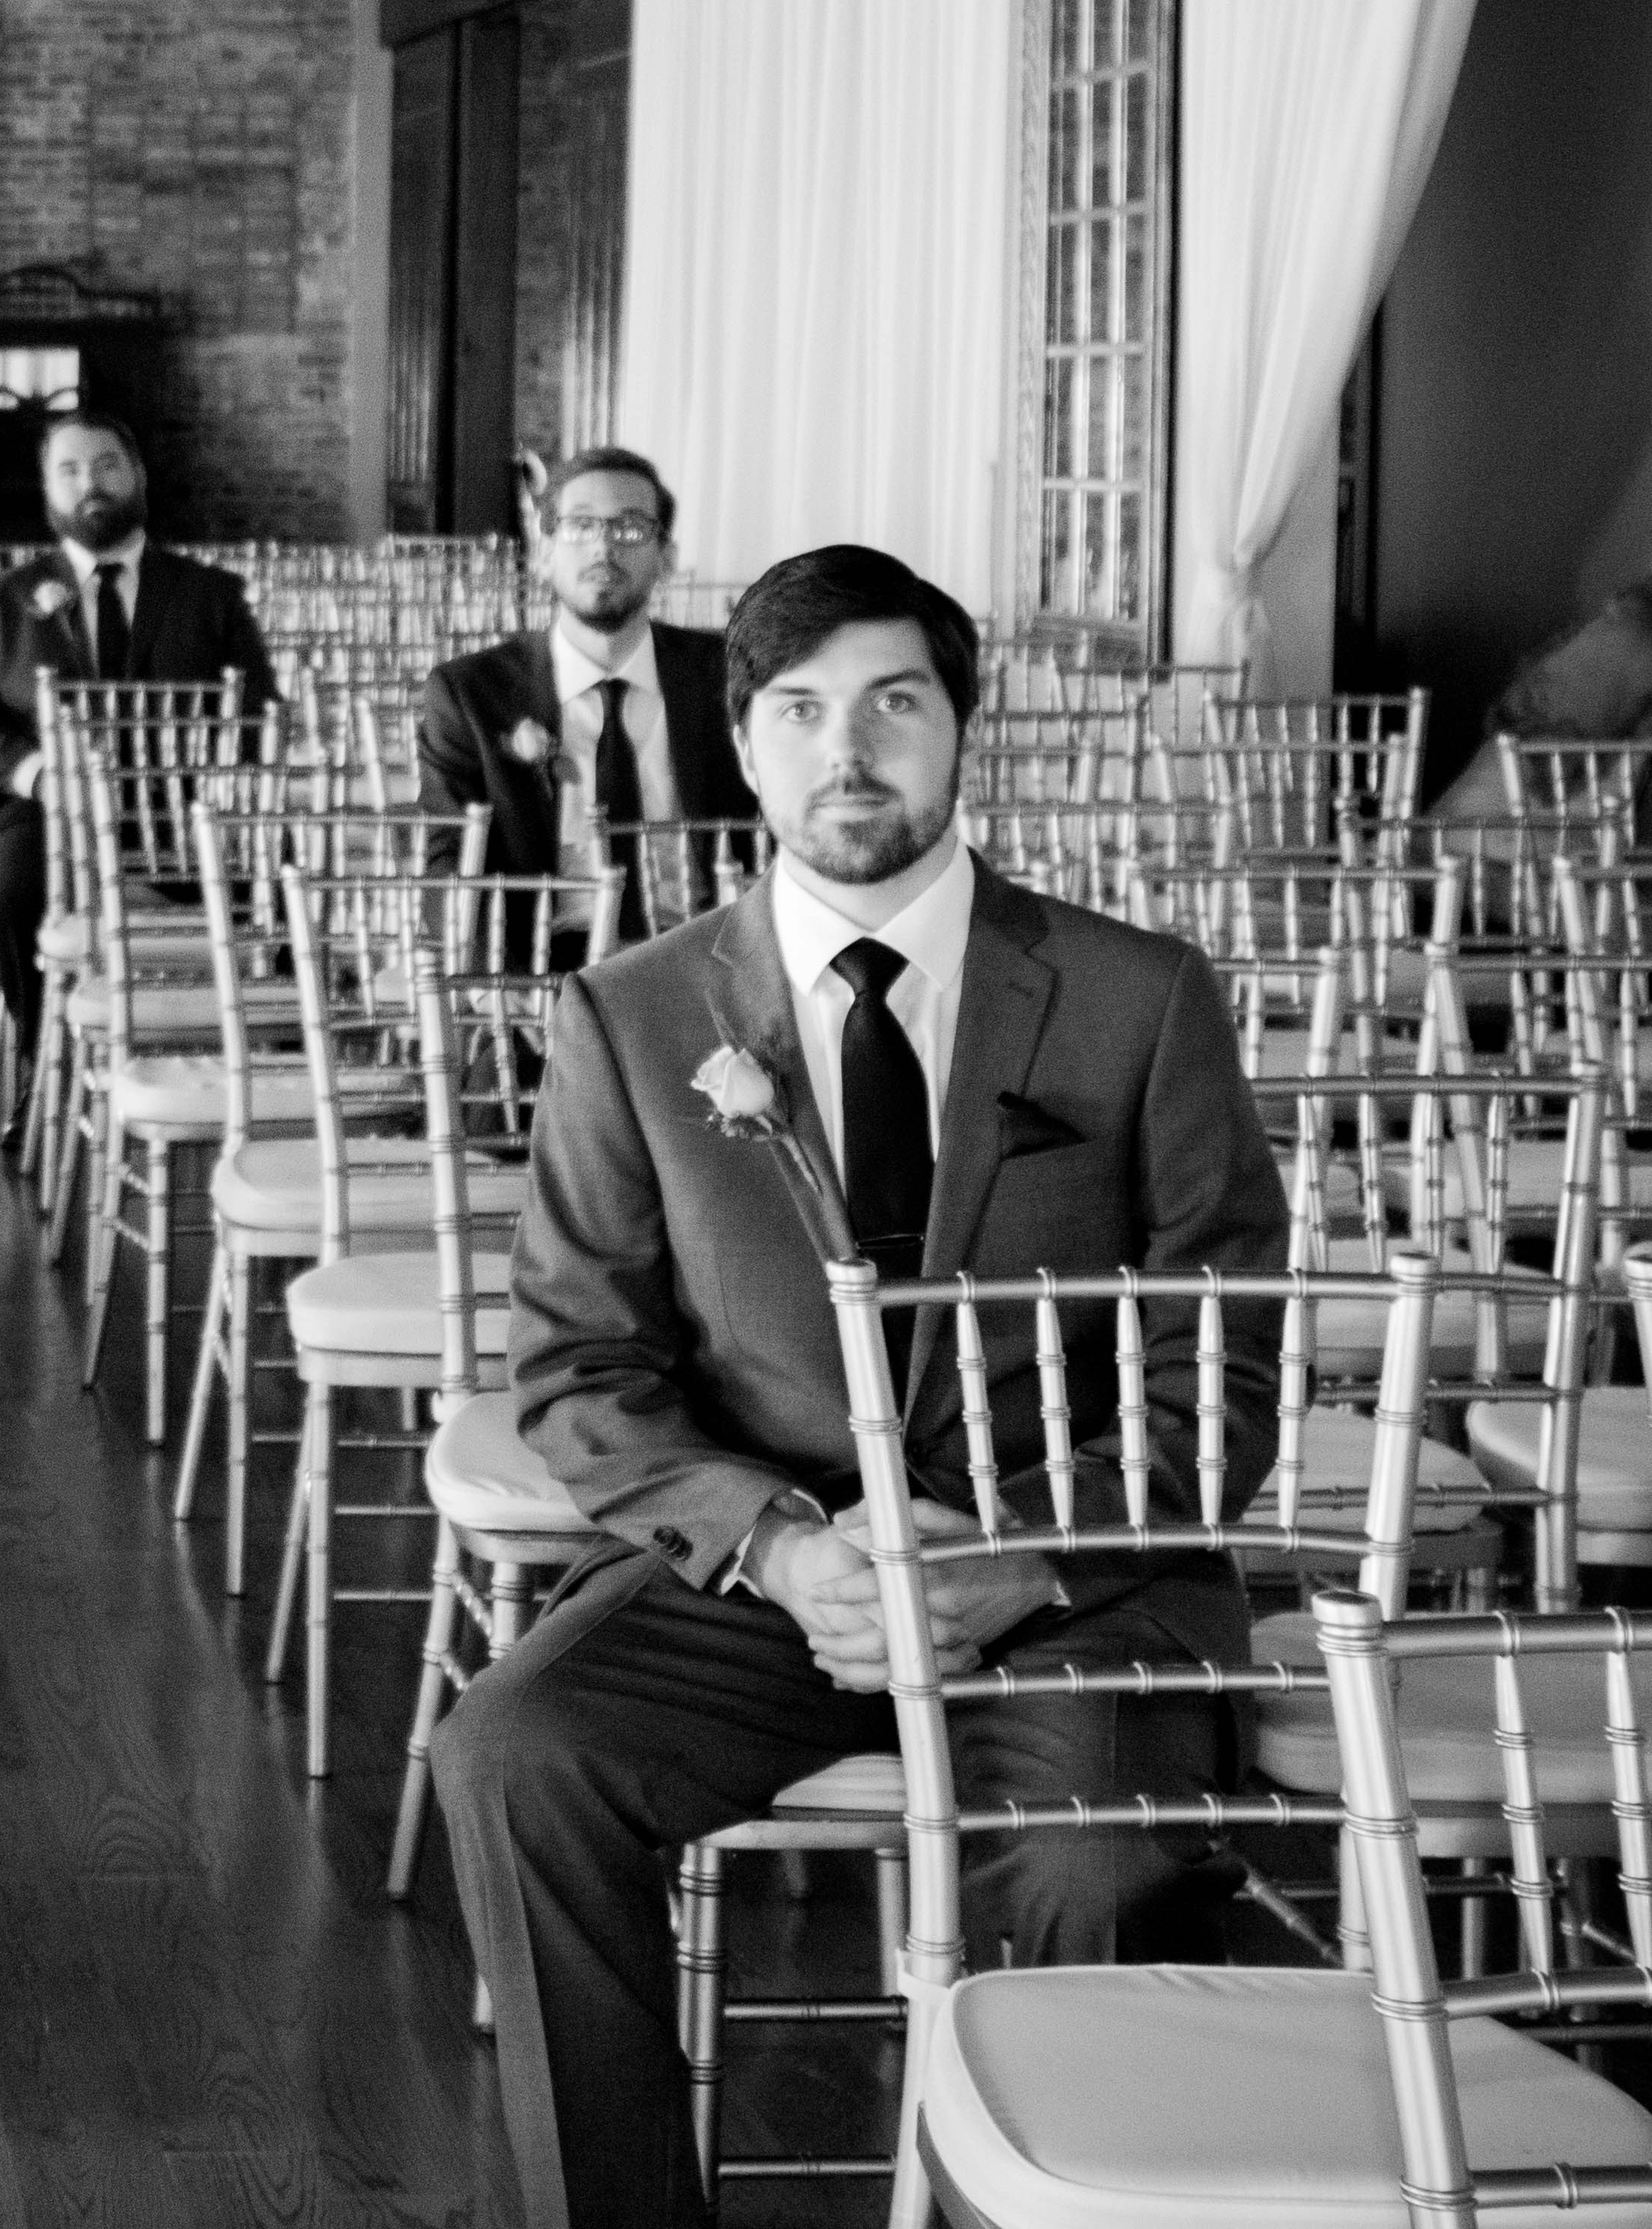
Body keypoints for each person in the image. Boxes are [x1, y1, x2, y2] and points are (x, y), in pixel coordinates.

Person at [428, 543, 1284, 2229]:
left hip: (1074, 1576)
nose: (852, 749)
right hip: (776, 1573)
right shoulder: (632, 1011)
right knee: (511, 1751)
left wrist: (1020, 1553)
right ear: (742, 740)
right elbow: (581, 1366)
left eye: (896, 699)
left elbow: (1229, 1361)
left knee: (1107, 1862)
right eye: (802, 709)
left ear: (964, 727)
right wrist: (781, 1545)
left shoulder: (1138, 994)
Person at [0, 413, 278, 1049]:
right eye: (69, 470)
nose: (90, 483)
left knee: (289, 888)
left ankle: (272, 1069)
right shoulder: (1, 600)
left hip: (187, 814)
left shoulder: (212, 596)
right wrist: (38, 774)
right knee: (11, 896)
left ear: (139, 476)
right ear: (47, 490)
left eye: (106, 465)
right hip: (47, 814)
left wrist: (217, 785)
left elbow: (260, 716)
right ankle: (44, 1060)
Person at [415, 447, 755, 934]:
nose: (604, 547)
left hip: (702, 952)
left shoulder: (730, 674)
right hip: (542, 961)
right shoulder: (470, 693)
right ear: (544, 554)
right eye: (581, 526)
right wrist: (482, 981)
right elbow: (447, 863)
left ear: (667, 558)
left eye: (631, 527)